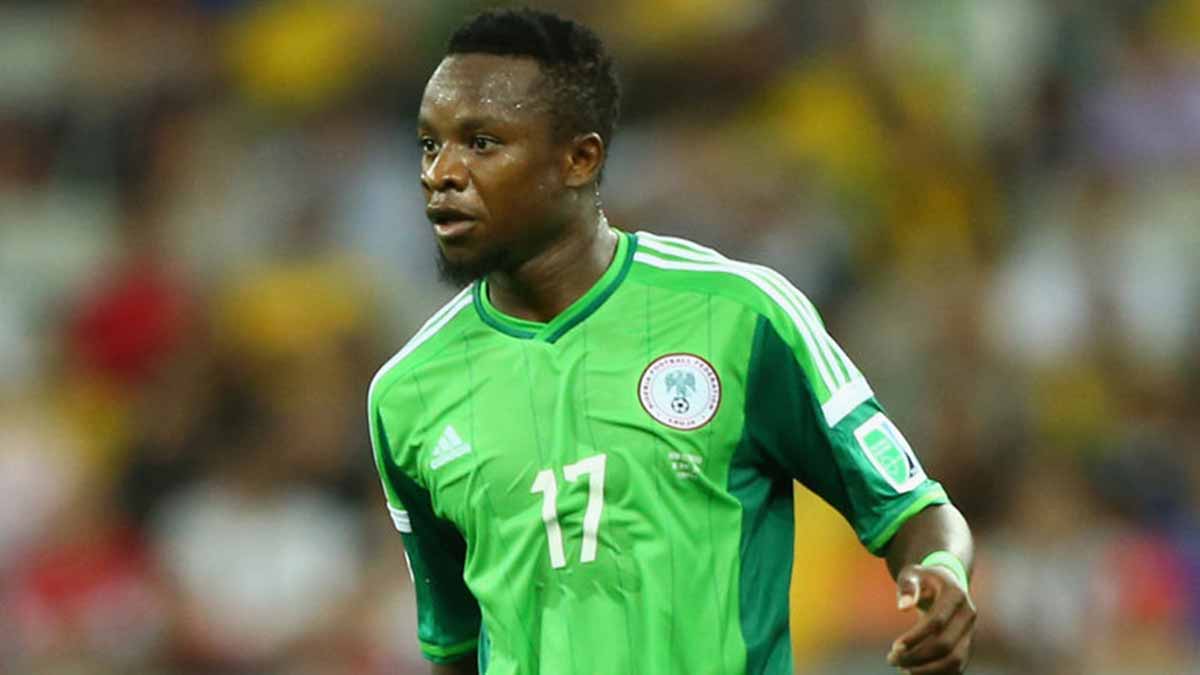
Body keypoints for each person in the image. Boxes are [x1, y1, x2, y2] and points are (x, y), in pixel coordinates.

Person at [367, 9, 976, 675]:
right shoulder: (408, 394)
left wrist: (942, 572)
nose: (441, 173)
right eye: (429, 145)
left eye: (481, 143)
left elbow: (912, 509)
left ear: (579, 159)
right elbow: (454, 647)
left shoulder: (740, 317)